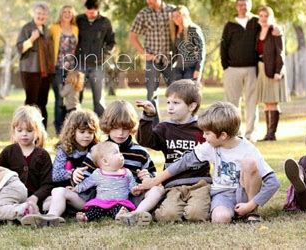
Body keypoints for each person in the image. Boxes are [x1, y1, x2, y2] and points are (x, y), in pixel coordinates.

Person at [140, 101, 280, 224]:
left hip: (245, 193)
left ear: (223, 135)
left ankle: (251, 213)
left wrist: (250, 205)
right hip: (222, 194)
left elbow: (273, 182)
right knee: (220, 219)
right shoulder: (210, 146)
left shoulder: (248, 149)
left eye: (207, 133)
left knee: (249, 163)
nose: (203, 137)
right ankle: (235, 213)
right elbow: (183, 163)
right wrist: (154, 181)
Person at [136, 79, 212, 222]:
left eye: (176, 103)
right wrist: (148, 117)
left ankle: (202, 206)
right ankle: (152, 210)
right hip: (173, 185)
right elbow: (144, 140)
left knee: (196, 215)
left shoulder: (202, 129)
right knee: (167, 216)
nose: (170, 107)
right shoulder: (165, 128)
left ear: (192, 106)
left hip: (199, 184)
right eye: (168, 102)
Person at [79, 100, 163, 226]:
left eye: (125, 128)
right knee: (63, 192)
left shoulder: (140, 152)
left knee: (157, 190)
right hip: (102, 199)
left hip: (132, 199)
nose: (120, 133)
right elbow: (85, 179)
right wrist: (75, 175)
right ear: (108, 127)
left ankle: (136, 214)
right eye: (115, 128)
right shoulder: (98, 151)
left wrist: (147, 177)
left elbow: (153, 177)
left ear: (131, 127)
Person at [21, 110, 100, 227]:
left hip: (87, 198)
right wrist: (72, 173)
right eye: (82, 132)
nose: (87, 135)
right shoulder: (64, 150)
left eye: (90, 132)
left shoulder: (96, 150)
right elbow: (55, 175)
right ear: (72, 132)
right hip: (69, 196)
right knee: (46, 203)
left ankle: (51, 218)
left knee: (58, 192)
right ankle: (36, 214)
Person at [220, 0, 281, 142]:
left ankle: (250, 134)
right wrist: (225, 66)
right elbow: (224, 46)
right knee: (232, 103)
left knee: (252, 102)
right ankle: (234, 132)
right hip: (232, 69)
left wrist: (279, 29)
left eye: (245, 5)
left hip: (252, 69)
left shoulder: (256, 22)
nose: (242, 7)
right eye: (240, 5)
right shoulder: (230, 25)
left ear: (250, 5)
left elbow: (270, 26)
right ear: (236, 7)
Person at [130, 0, 176, 123]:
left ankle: (177, 123)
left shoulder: (172, 11)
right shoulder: (144, 13)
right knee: (151, 94)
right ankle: (155, 125)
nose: (148, 1)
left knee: (176, 92)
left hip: (170, 59)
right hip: (152, 60)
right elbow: (132, 36)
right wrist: (143, 53)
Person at [0, 105, 53, 215]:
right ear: (14, 131)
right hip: (13, 198)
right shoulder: (8, 152)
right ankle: (19, 212)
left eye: (29, 130)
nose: (24, 134)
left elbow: (48, 184)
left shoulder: (42, 155)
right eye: (20, 130)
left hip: (37, 199)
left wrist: (35, 197)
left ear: (37, 131)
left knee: (50, 202)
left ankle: (33, 213)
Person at [74, 141, 142, 222]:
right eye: (116, 152)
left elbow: (132, 186)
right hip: (101, 203)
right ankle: (85, 217)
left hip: (119, 202)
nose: (121, 154)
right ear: (105, 161)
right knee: (94, 209)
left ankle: (120, 215)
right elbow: (86, 184)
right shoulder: (98, 173)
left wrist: (135, 190)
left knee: (120, 208)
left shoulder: (127, 172)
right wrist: (75, 188)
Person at [76, 0, 116, 117]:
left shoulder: (105, 22)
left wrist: (104, 55)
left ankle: (101, 124)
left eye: (92, 12)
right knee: (77, 96)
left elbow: (111, 42)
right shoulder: (79, 20)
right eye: (87, 12)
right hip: (80, 63)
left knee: (99, 98)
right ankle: (75, 122)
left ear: (97, 10)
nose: (89, 15)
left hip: (98, 64)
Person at [16, 1, 54, 128]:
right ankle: (27, 128)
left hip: (45, 72)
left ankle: (42, 131)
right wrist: (32, 39)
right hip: (30, 70)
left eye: (43, 14)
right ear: (34, 13)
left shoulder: (47, 30)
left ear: (46, 16)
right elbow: (20, 48)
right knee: (31, 103)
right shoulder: (27, 28)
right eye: (38, 13)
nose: (41, 16)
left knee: (42, 102)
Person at [255, 6, 289, 141]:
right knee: (266, 102)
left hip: (273, 69)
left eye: (266, 16)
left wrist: (278, 71)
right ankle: (268, 133)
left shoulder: (275, 30)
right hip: (261, 68)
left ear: (271, 17)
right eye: (261, 16)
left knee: (273, 102)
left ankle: (271, 134)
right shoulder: (258, 31)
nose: (263, 18)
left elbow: (280, 52)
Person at [49, 5, 79, 134]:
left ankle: (70, 128)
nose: (67, 14)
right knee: (59, 98)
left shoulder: (75, 29)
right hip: (57, 68)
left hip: (72, 69)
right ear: (60, 13)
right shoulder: (54, 28)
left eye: (70, 12)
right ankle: (59, 129)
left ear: (72, 15)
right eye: (65, 12)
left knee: (72, 100)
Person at [170, 5, 206, 82]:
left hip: (191, 69)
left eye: (177, 16)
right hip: (178, 70)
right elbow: (176, 53)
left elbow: (201, 51)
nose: (175, 19)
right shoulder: (175, 31)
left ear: (184, 16)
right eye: (173, 16)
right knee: (177, 93)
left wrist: (198, 69)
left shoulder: (193, 29)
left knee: (189, 93)